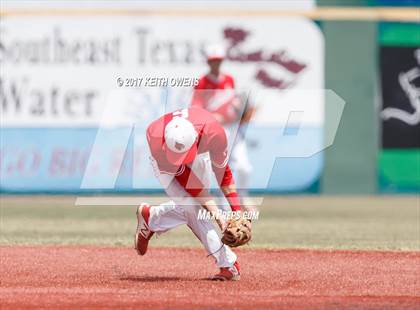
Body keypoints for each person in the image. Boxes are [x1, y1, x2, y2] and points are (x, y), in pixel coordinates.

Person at [135, 106, 246, 281]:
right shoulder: (156, 139)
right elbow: (194, 188)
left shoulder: (214, 133)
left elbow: (223, 174)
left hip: (199, 154)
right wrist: (220, 217)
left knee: (194, 208)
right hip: (166, 164)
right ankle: (228, 264)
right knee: (193, 208)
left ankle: (153, 218)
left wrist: (238, 212)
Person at [191, 45, 254, 204]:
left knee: (245, 167)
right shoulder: (202, 82)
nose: (216, 64)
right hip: (215, 131)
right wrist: (211, 117)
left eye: (218, 60)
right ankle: (223, 204)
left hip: (233, 129)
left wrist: (242, 111)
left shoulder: (229, 80)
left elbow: (234, 105)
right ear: (208, 62)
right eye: (213, 61)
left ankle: (243, 197)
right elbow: (196, 107)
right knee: (221, 167)